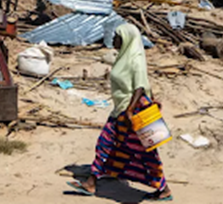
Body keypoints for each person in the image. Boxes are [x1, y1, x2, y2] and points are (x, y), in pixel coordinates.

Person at [67, 23, 172, 201]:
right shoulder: (123, 57)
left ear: (127, 39)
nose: (114, 40)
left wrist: (130, 111)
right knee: (111, 146)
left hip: (130, 113)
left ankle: (163, 189)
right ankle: (92, 182)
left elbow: (139, 86)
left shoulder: (135, 58)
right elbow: (143, 82)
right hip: (121, 110)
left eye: (118, 37)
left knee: (137, 150)